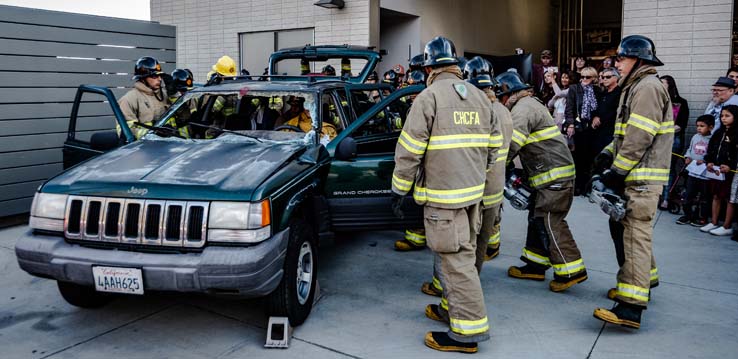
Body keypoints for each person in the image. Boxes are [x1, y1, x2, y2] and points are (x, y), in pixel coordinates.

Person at [391, 36, 500, 353]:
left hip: (443, 200)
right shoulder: (481, 99)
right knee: (464, 258)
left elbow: (409, 151)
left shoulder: (428, 98)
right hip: (472, 198)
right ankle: (455, 312)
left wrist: (400, 190)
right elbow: (493, 151)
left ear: (429, 68)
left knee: (456, 265)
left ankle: (466, 333)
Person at [592, 34, 672, 329]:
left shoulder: (647, 87)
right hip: (636, 175)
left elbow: (640, 137)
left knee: (634, 236)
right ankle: (645, 280)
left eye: (622, 59)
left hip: (641, 178)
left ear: (638, 59)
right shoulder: (637, 86)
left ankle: (630, 307)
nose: (617, 64)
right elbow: (625, 135)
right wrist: (606, 155)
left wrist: (617, 172)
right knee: (626, 229)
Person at [496, 69, 586, 292]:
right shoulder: (528, 104)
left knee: (549, 218)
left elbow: (510, 144)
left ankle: (571, 270)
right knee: (537, 217)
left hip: (554, 177)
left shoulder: (522, 110)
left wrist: (495, 167)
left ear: (508, 94)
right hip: (545, 175)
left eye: (499, 98)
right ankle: (535, 264)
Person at [700, 105, 738, 236]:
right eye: (722, 116)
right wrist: (709, 161)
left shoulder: (736, 134)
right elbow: (711, 149)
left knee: (729, 198)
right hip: (716, 170)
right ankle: (714, 222)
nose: (723, 119)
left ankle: (727, 226)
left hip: (729, 172)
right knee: (716, 195)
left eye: (727, 116)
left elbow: (736, 154)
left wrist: (731, 166)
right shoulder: (718, 132)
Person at [565, 66, 600, 195]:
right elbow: (569, 108)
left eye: (588, 77)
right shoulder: (574, 88)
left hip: (592, 128)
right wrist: (570, 124)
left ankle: (586, 186)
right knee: (577, 158)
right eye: (582, 76)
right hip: (578, 127)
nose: (584, 79)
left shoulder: (597, 90)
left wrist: (597, 116)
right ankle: (577, 186)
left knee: (589, 158)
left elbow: (600, 107)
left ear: (594, 78)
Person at [117, 56, 169, 139]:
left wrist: (175, 94)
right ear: (143, 78)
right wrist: (152, 133)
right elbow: (125, 131)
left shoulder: (164, 95)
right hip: (144, 148)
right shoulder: (129, 99)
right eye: (154, 76)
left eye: (160, 75)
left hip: (169, 144)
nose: (159, 79)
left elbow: (182, 118)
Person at [658, 75, 690, 210]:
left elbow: (681, 125)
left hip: (673, 138)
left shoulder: (681, 102)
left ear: (670, 85)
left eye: (662, 83)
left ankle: (666, 198)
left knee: (669, 168)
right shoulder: (657, 100)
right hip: (657, 138)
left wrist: (663, 130)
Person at [676, 115, 714, 226]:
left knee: (704, 197)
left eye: (702, 126)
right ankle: (687, 215)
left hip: (705, 174)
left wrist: (705, 161)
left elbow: (712, 154)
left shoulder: (712, 140)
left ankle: (702, 217)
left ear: (710, 127)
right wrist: (687, 157)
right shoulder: (695, 137)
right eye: (697, 126)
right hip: (692, 172)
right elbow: (690, 149)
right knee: (688, 195)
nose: (699, 128)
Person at [591, 67, 621, 153]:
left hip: (611, 131)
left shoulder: (620, 93)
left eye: (608, 77)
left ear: (616, 78)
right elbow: (597, 108)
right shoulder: (603, 93)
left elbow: (615, 111)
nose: (604, 79)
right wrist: (595, 117)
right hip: (599, 131)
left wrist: (600, 119)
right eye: (603, 77)